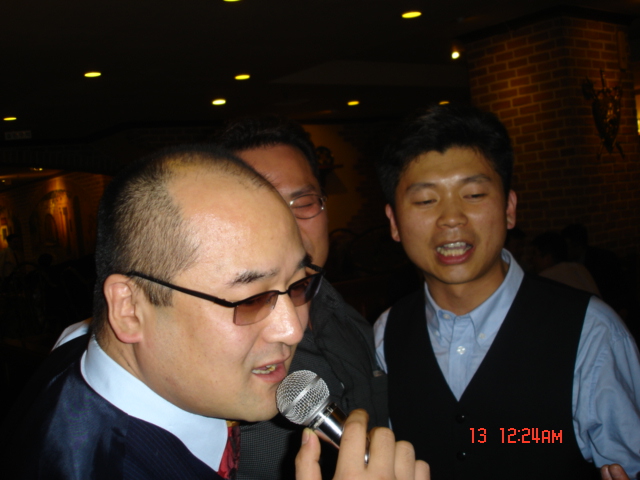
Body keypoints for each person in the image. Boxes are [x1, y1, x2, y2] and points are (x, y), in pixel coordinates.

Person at [1, 145, 423, 480]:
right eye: (250, 298)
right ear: (129, 308)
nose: (292, 330)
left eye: (297, 286)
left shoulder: (85, 352)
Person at [374, 104, 640, 479]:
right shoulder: (387, 333)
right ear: (394, 222)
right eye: (425, 201)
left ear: (510, 208)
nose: (451, 218)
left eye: (474, 194)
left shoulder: (590, 331)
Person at [217, 116, 388, 479]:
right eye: (262, 206)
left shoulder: (353, 320)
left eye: (303, 202)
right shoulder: (216, 346)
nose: (289, 227)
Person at [530, 231, 601, 296]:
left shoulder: (544, 279)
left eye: (534, 254)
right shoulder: (580, 268)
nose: (532, 259)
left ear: (547, 258)